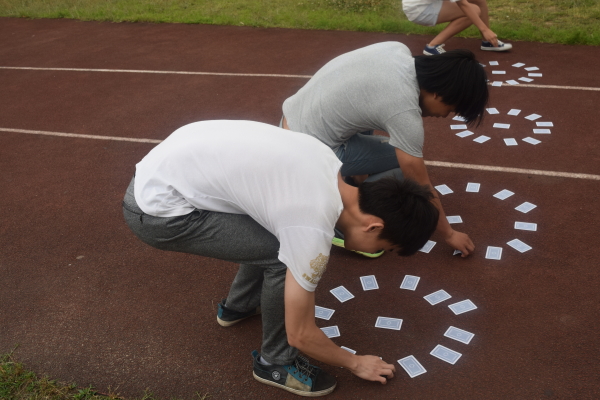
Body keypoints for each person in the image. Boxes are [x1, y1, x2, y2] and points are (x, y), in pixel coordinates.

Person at [123, 120, 439, 397]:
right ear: (374, 226)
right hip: (157, 211)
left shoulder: (328, 162)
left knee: (276, 233)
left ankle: (239, 306)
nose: (376, 252)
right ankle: (275, 362)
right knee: (281, 256)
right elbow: (300, 334)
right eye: (385, 246)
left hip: (165, 165)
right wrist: (355, 362)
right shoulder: (311, 224)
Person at [282, 41, 488, 258]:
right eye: (451, 109)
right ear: (437, 93)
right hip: (307, 152)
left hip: (291, 119)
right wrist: (449, 233)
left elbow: (361, 100)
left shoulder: (397, 50)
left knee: (398, 150)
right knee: (405, 166)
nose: (445, 115)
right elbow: (420, 182)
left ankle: (351, 181)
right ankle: (343, 218)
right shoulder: (404, 110)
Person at [402, 0, 512, 55]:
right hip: (419, 10)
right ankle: (432, 47)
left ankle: (488, 42)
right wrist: (485, 29)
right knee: (474, 11)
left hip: (427, 3)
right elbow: (463, 4)